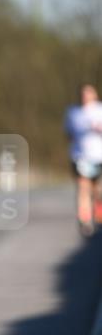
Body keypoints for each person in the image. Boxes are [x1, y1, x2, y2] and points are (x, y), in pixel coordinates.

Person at [64, 83, 102, 237]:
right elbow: (68, 133)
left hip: (99, 156)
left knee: (98, 190)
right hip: (80, 157)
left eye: (89, 92)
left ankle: (98, 213)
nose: (86, 96)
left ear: (95, 94)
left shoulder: (100, 110)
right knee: (83, 188)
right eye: (83, 93)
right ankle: (85, 221)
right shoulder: (73, 112)